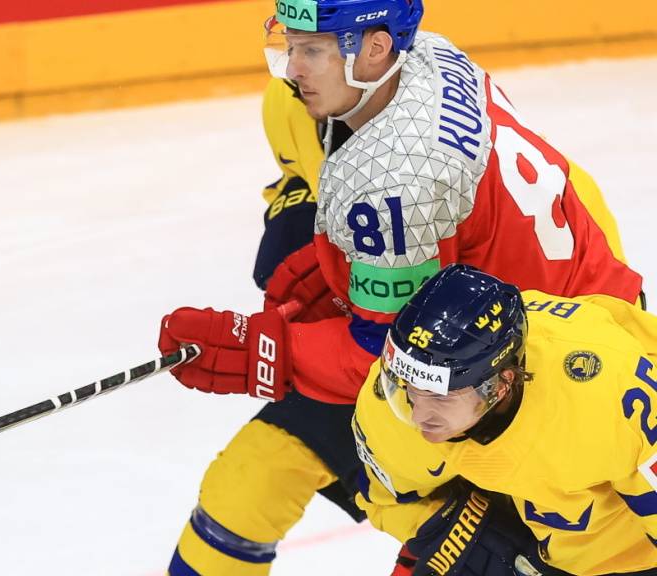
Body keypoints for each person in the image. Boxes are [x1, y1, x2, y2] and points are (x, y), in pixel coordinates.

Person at [157, 0, 645, 574]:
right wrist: (323, 246)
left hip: (523, 378)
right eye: (289, 44)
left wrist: (265, 350)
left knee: (463, 549)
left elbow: (390, 355)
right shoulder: (423, 57)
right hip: (501, 313)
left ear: (374, 48)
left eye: (311, 49)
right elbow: (304, 175)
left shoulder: (397, 182)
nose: (293, 68)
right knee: (249, 481)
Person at [353, 264, 657, 575]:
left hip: (630, 546)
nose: (418, 415)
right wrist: (451, 531)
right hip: (526, 516)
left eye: (440, 396)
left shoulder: (606, 396)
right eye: (407, 389)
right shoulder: (390, 403)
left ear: (500, 385)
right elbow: (385, 502)